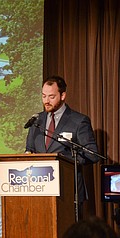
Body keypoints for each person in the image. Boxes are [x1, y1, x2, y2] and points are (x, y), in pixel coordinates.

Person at [25, 75, 100, 216]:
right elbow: (29, 150)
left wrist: (65, 161)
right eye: (43, 96)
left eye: (51, 97)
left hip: (68, 193)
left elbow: (92, 154)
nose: (46, 101)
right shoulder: (36, 121)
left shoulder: (78, 121)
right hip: (39, 190)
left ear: (63, 95)